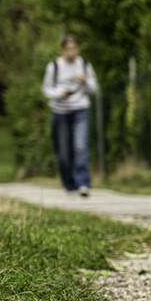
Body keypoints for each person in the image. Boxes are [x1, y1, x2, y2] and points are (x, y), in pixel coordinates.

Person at [42, 35, 98, 196]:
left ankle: (83, 183)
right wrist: (59, 93)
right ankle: (69, 184)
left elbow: (94, 89)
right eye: (68, 49)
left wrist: (85, 81)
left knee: (81, 146)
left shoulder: (85, 65)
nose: (71, 52)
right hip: (60, 112)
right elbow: (46, 90)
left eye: (74, 48)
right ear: (63, 50)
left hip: (80, 109)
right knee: (64, 153)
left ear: (78, 49)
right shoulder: (54, 67)